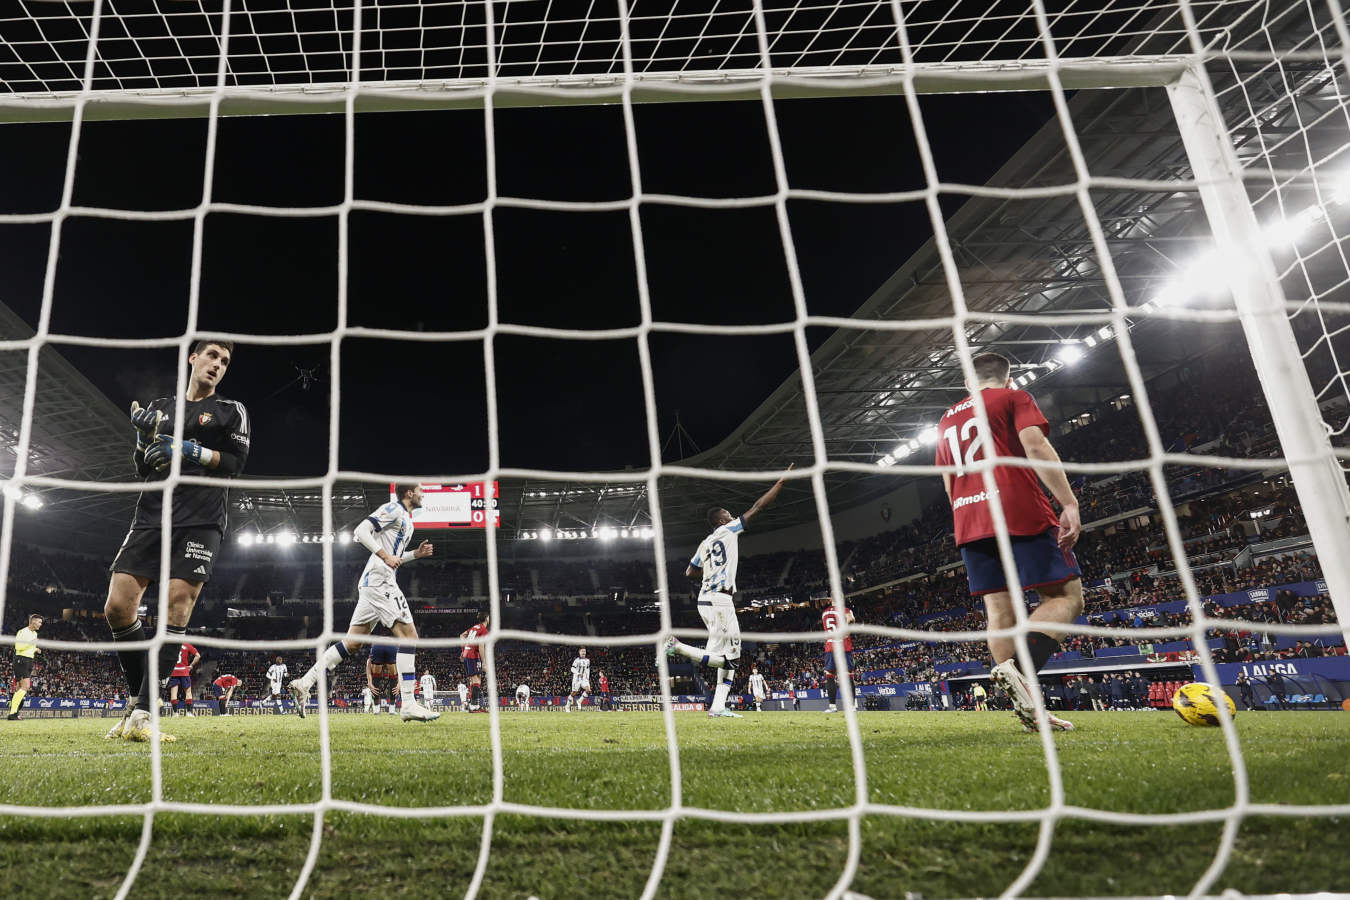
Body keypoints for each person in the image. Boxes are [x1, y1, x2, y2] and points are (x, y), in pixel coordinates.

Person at [104, 340, 250, 743]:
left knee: (177, 605)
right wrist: (141, 441)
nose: (218, 364)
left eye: (225, 360)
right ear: (193, 357)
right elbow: (142, 467)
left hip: (201, 520)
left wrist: (184, 448)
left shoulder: (230, 412)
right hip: (152, 516)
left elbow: (235, 464)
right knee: (117, 607)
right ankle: (138, 705)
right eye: (212, 356)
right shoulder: (162, 408)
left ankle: (146, 714)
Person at [934, 352, 1081, 733]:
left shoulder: (947, 418)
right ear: (1008, 378)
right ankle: (1018, 671)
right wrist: (1068, 501)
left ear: (968, 382)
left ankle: (1030, 708)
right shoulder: (1013, 398)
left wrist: (967, 514)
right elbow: (1035, 447)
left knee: (999, 612)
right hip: (1017, 507)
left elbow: (949, 480)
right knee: (1065, 597)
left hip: (968, 518)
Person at [288, 484, 439, 723]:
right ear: (409, 493)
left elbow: (394, 556)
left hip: (374, 583)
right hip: (380, 582)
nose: (423, 494)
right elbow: (361, 531)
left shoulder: (406, 520)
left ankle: (304, 683)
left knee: (353, 643)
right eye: (420, 490)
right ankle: (409, 704)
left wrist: (414, 555)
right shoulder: (393, 509)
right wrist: (384, 556)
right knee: (410, 638)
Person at [664, 464, 794, 719]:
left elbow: (689, 572)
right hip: (719, 601)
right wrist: (780, 482)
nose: (731, 514)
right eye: (728, 513)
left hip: (706, 600)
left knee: (725, 656)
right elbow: (758, 507)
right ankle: (676, 647)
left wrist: (710, 571)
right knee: (730, 658)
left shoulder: (704, 543)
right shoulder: (729, 529)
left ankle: (717, 707)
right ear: (722, 520)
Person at [7, 613, 42, 721]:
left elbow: (31, 646)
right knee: (26, 686)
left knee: (19, 688)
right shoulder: (22, 632)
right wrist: (31, 643)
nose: (41, 624)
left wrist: (36, 649)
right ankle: (13, 713)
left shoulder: (35, 634)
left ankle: (14, 712)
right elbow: (18, 646)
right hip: (21, 659)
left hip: (29, 660)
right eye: (39, 622)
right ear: (33, 622)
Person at [821, 603, 855, 714]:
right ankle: (851, 707)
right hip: (844, 646)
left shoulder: (824, 613)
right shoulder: (845, 609)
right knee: (848, 675)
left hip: (831, 646)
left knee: (830, 676)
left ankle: (832, 707)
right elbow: (851, 619)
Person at [459, 613, 489, 713]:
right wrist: (484, 662)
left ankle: (475, 706)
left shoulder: (474, 627)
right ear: (486, 619)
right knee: (476, 680)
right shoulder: (483, 630)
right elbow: (481, 646)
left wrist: (464, 650)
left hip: (468, 653)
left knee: (475, 680)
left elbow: (462, 635)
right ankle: (473, 706)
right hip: (473, 655)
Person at [168, 641, 201, 716]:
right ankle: (189, 712)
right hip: (184, 671)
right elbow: (198, 656)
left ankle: (175, 713)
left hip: (174, 671)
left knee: (173, 693)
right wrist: (191, 665)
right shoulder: (187, 645)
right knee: (188, 692)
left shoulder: (171, 646)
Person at [368, 645, 398, 713]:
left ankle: (376, 709)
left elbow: (368, 663)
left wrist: (369, 681)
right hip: (391, 645)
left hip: (377, 646)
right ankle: (392, 708)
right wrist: (399, 683)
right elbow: (402, 667)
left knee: (376, 674)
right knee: (393, 674)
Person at [565, 648, 591, 712]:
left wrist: (587, 677)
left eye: (584, 651)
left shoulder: (588, 660)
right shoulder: (577, 660)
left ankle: (579, 701)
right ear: (579, 652)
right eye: (582, 651)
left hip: (584, 679)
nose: (583, 652)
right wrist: (578, 673)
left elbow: (588, 669)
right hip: (576, 679)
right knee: (574, 693)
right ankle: (567, 706)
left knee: (588, 690)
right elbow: (572, 669)